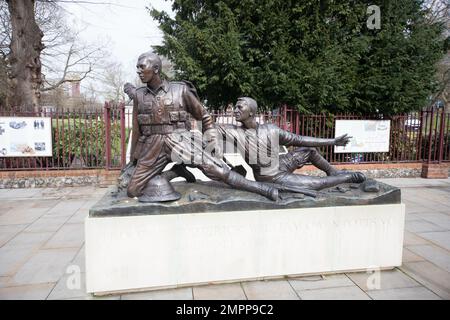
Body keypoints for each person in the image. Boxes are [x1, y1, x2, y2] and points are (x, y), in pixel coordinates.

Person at [125, 52, 278, 201]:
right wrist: (133, 160)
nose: (138, 71)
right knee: (133, 190)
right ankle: (175, 172)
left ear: (156, 69)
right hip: (153, 145)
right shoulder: (139, 95)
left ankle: (262, 189)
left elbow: (204, 116)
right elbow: (137, 130)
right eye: (137, 67)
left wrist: (211, 139)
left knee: (217, 170)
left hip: (180, 140)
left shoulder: (180, 90)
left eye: (141, 67)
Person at [217, 97, 366, 190]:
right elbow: (208, 126)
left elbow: (299, 139)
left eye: (239, 107)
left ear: (251, 112)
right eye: (235, 107)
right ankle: (348, 177)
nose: (235, 110)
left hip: (280, 164)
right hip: (270, 177)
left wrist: (333, 141)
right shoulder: (233, 132)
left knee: (309, 151)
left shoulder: (271, 129)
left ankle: (333, 172)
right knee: (318, 184)